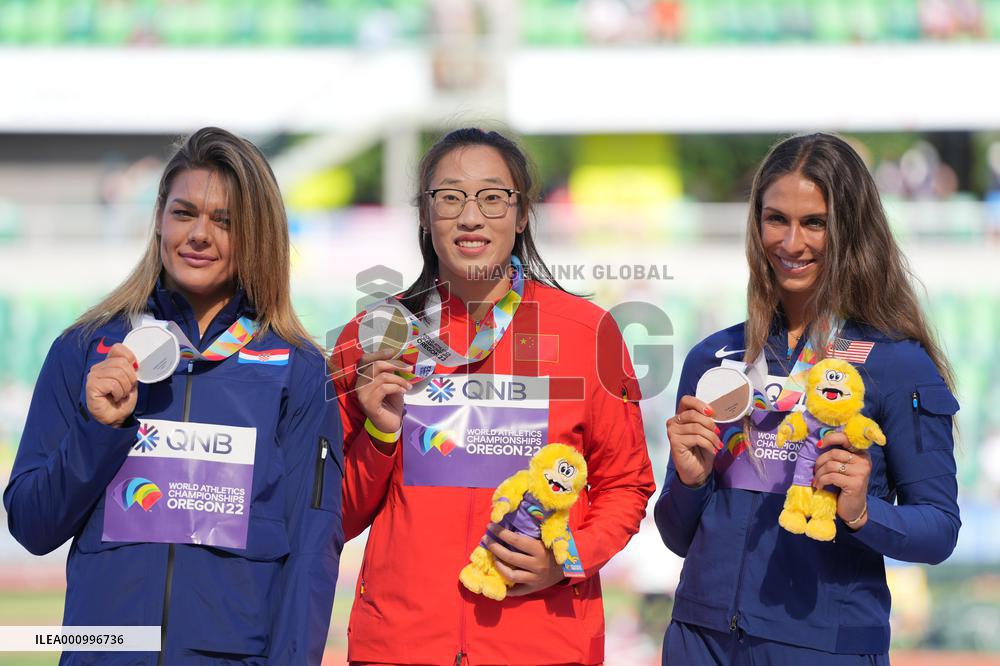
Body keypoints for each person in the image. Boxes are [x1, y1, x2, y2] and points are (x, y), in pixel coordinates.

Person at [4, 127, 343, 664]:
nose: (199, 235)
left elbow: (309, 554)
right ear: (159, 218)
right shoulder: (85, 349)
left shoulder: (298, 372)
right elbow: (31, 525)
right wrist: (102, 432)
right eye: (184, 213)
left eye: (225, 221)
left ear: (257, 235)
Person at [329, 128, 655, 665]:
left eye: (492, 197)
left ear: (522, 213)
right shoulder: (375, 337)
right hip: (402, 646)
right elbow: (333, 515)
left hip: (543, 645)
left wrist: (568, 559)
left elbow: (627, 484)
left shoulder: (587, 333)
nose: (471, 216)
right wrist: (380, 433)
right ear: (424, 214)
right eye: (450, 197)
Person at [655, 132, 961, 665]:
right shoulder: (716, 358)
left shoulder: (896, 364)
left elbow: (938, 530)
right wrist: (689, 480)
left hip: (821, 647)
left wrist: (864, 513)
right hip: (700, 640)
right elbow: (678, 535)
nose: (791, 243)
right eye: (776, 219)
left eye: (814, 223)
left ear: (850, 230)